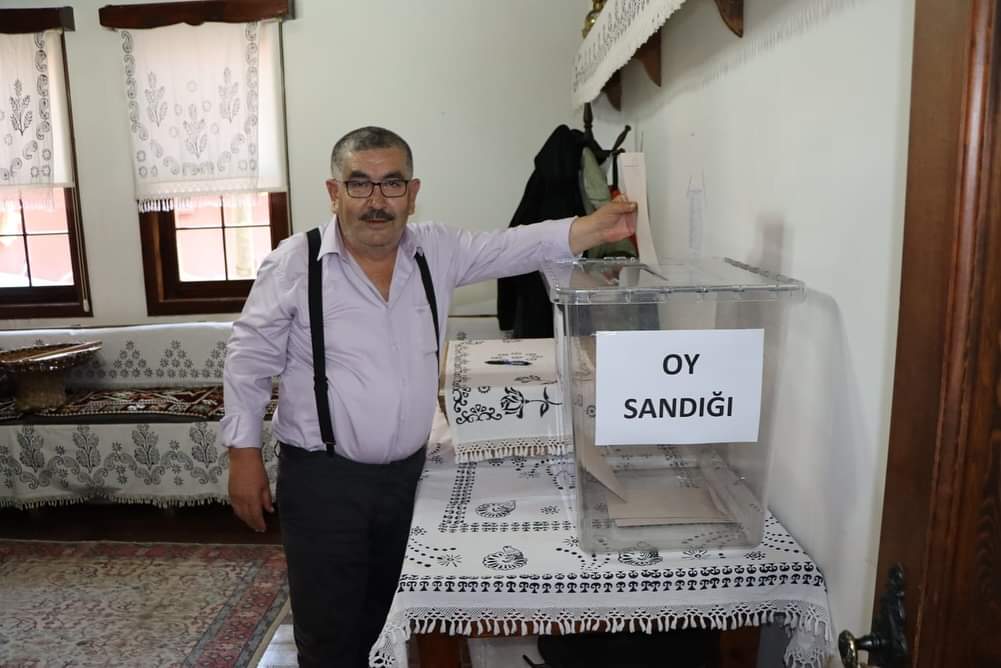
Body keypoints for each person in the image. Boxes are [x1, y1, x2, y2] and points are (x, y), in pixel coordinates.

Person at [222, 126, 636, 667]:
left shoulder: (436, 250)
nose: (376, 201)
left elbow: (515, 245)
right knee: (329, 635)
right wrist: (243, 453)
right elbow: (249, 358)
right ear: (334, 192)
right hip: (323, 483)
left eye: (392, 184)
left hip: (408, 481)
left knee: (393, 623)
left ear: (412, 193)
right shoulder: (295, 262)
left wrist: (594, 226)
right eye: (359, 184)